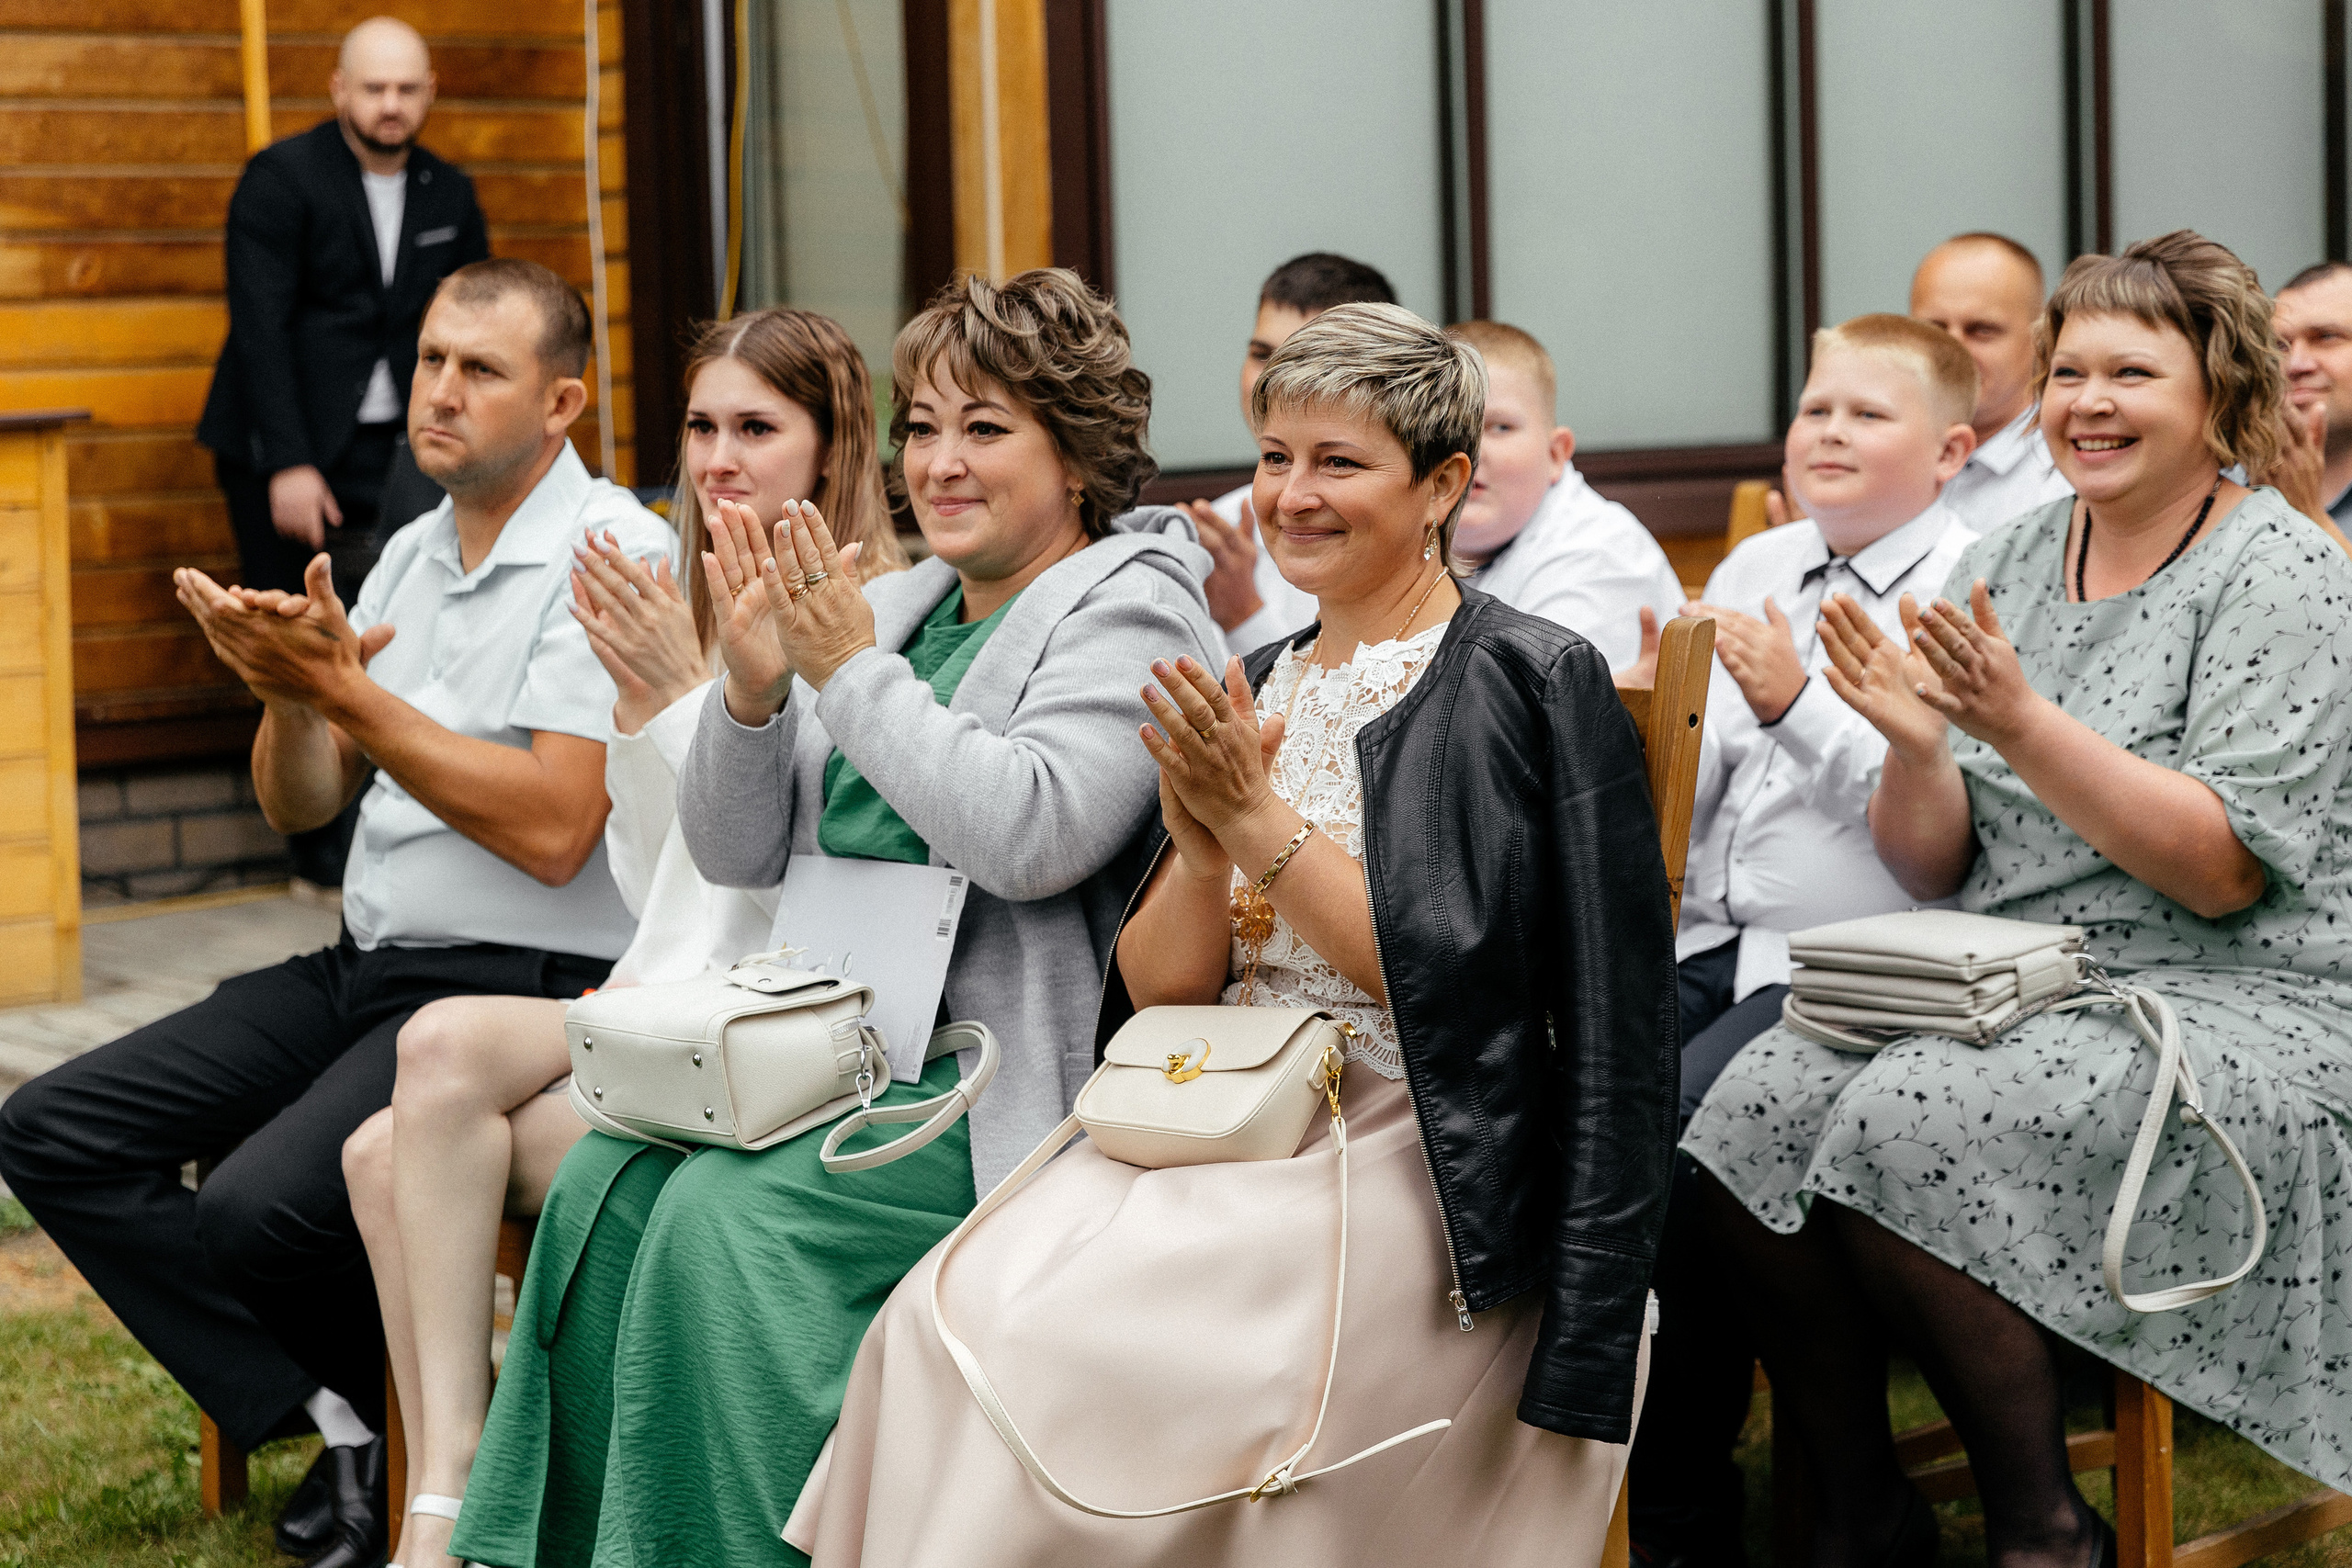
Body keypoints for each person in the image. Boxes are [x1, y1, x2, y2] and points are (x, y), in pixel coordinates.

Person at [793, 302, 1679, 1567]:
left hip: (1421, 1145)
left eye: (1339, 462)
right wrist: (1200, 848)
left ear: (1443, 486)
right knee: (942, 1312)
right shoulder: (1260, 668)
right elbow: (1161, 991)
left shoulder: (1517, 676)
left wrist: (1254, 817)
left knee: (1055, 1345)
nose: (1294, 495)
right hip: (1221, 1104)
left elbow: (1460, 981)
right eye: (1275, 457)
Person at [444, 268, 1224, 1568]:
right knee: (601, 1186)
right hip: (820, 1057)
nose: (940, 461)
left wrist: (844, 669)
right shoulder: (906, 607)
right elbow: (738, 850)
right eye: (921, 426)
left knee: (721, 1224)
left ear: (1078, 454)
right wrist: (750, 695)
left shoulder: (1126, 600)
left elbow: (1034, 832)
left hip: (982, 1091)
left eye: (985, 428)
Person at [1685, 231, 2352, 1568]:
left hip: (2245, 996)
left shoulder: (2286, 568)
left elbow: (2223, 870)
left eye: (2131, 373)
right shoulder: (2014, 551)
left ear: (2218, 394)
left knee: (1907, 1114)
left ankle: (2044, 1525)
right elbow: (1941, 864)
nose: (2088, 402)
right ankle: (1864, 1510)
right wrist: (1924, 748)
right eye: (2069, 372)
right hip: (2021, 970)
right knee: (1740, 1105)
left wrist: (2022, 720)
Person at [0, 258, 667, 1568]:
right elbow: (299, 807)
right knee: (55, 1126)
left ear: (564, 400)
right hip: (369, 962)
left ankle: (411, 1438)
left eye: (480, 369)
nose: (438, 390)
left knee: (258, 1205)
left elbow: (553, 827)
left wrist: (351, 698)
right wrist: (288, 695)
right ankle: (340, 1410)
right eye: (428, 359)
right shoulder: (410, 548)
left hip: (518, 983)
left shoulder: (613, 547)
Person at [340, 306, 908, 1568]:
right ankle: (449, 1491)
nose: (718, 458)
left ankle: (457, 1511)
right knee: (433, 1051)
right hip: (665, 986)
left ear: (832, 445)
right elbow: (652, 876)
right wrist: (666, 702)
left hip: (781, 1025)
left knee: (390, 1160)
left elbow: (780, 895)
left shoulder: (865, 610)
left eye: (757, 428)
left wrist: (679, 707)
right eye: (702, 425)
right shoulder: (686, 594)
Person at [1626, 314, 1982, 1568]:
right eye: (1815, 407)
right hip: (1712, 935)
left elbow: (1948, 829)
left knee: (1670, 1138)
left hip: (1862, 956)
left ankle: (1689, 1508)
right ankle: (1628, 1481)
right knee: (1578, 1107)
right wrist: (1665, 705)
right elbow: (1705, 778)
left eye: (1866, 414)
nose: (1827, 430)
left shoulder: (1969, 584)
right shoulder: (1763, 559)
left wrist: (1789, 698)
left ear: (1952, 452)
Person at [197, 16, 491, 886]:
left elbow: (473, 321)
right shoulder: (280, 179)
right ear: (339, 91)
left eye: (407, 89)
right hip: (279, 445)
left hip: (402, 446)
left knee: (392, 627)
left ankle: (383, 825)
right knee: (296, 632)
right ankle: (313, 851)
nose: (391, 105)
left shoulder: (451, 191)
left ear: (429, 91)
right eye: (374, 88)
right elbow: (260, 329)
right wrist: (288, 463)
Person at [1184, 252, 1397, 655]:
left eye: (1303, 359)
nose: (1272, 381)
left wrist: (1242, 614)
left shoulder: (1415, 528)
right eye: (1262, 355)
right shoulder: (1221, 531)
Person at [1442, 320, 1683, 668]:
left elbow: (1514, 712)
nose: (1471, 452)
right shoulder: (1415, 538)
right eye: (1449, 428)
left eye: (1500, 427)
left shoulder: (1598, 553)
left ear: (1556, 454)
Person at [1907, 231, 2074, 533]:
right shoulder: (1878, 458)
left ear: (2040, 339)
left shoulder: (2069, 481)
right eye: (1933, 329)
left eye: (1981, 330)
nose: (1953, 350)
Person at [2264, 262, 2352, 552]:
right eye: (2280, 345)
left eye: (2326, 337)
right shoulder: (2223, 479)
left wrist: (2308, 516)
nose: (2296, 365)